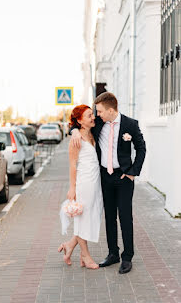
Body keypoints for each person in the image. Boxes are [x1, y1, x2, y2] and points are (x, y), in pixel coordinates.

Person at [70, 92, 146, 274]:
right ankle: (113, 254)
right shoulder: (99, 124)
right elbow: (79, 125)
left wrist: (133, 172)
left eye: (101, 111)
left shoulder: (130, 124)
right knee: (109, 217)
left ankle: (127, 257)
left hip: (124, 177)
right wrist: (73, 131)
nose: (98, 115)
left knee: (125, 217)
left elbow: (141, 148)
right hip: (105, 177)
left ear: (111, 110)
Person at [58, 105, 103, 269]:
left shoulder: (93, 133)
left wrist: (74, 129)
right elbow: (72, 165)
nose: (93, 118)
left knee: (91, 216)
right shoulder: (76, 140)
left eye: (92, 114)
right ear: (79, 121)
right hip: (83, 183)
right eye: (89, 115)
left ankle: (69, 245)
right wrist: (72, 188)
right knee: (82, 219)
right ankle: (85, 256)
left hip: (95, 182)